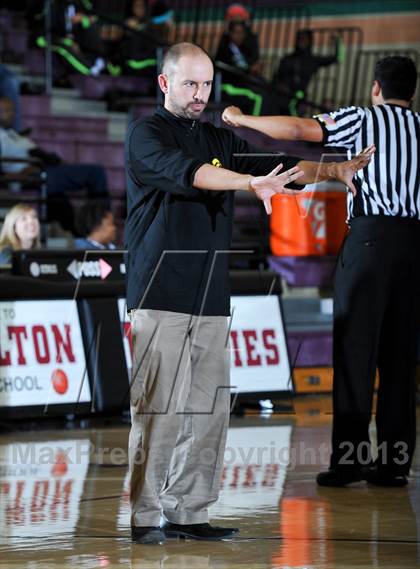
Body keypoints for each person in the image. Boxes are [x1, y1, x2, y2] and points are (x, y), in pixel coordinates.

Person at [125, 41, 373, 545]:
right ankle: (145, 517)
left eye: (207, 84)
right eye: (191, 83)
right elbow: (194, 175)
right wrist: (247, 182)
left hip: (211, 297)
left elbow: (282, 166)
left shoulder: (218, 136)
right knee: (160, 412)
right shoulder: (145, 134)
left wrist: (333, 171)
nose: (201, 93)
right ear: (164, 82)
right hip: (159, 292)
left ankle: (189, 511)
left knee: (209, 410)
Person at [222, 56, 419, 487]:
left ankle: (349, 462)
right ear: (413, 91)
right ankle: (394, 464)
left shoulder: (364, 118)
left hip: (370, 240)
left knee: (355, 351)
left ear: (375, 88)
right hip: (414, 245)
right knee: (401, 357)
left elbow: (296, 130)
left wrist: (242, 118)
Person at [0, 96, 110, 232]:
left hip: (46, 168)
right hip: (32, 177)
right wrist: (21, 173)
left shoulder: (11, 133)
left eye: (13, 110)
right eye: (7, 110)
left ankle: (87, 231)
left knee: (61, 203)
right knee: (95, 173)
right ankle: (103, 221)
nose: (12, 114)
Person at [273, 28, 342, 115]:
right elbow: (277, 77)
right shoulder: (288, 59)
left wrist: (338, 41)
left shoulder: (312, 60)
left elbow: (338, 58)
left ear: (309, 41)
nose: (301, 42)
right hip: (283, 97)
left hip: (299, 97)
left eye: (305, 39)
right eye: (300, 39)